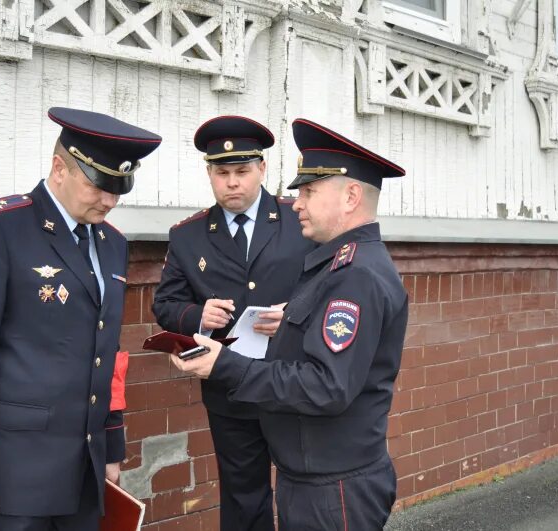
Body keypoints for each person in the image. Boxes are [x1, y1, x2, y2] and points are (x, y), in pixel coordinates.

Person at [173, 118, 409, 530]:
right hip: (315, 473)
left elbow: (327, 386)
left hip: (333, 485)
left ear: (351, 196)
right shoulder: (338, 263)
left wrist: (223, 364)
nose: (296, 202)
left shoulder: (355, 274)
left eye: (309, 191)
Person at [0, 107, 161, 531]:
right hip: (15, 472)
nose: (110, 200)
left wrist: (110, 445)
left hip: (84, 469)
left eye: (119, 189)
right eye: (99, 186)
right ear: (60, 168)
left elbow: (106, 350)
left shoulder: (112, 243)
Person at [152, 115, 316, 530]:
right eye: (221, 173)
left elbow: (331, 283)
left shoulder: (299, 220)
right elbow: (166, 303)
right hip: (231, 390)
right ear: (209, 173)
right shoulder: (187, 236)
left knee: (308, 488)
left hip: (292, 378)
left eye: (242, 171)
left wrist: (294, 313)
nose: (232, 182)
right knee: (244, 498)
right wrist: (195, 316)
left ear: (262, 169)